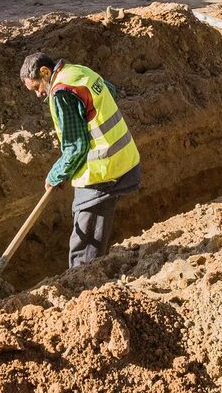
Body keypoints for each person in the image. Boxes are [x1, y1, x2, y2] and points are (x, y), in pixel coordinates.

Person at [21, 51, 141, 267]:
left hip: (103, 170)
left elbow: (76, 146)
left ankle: (83, 286)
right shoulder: (78, 72)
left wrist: (56, 175)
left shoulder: (61, 92)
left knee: (84, 248)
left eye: (37, 88)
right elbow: (111, 92)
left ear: (45, 72)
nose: (39, 95)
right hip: (122, 157)